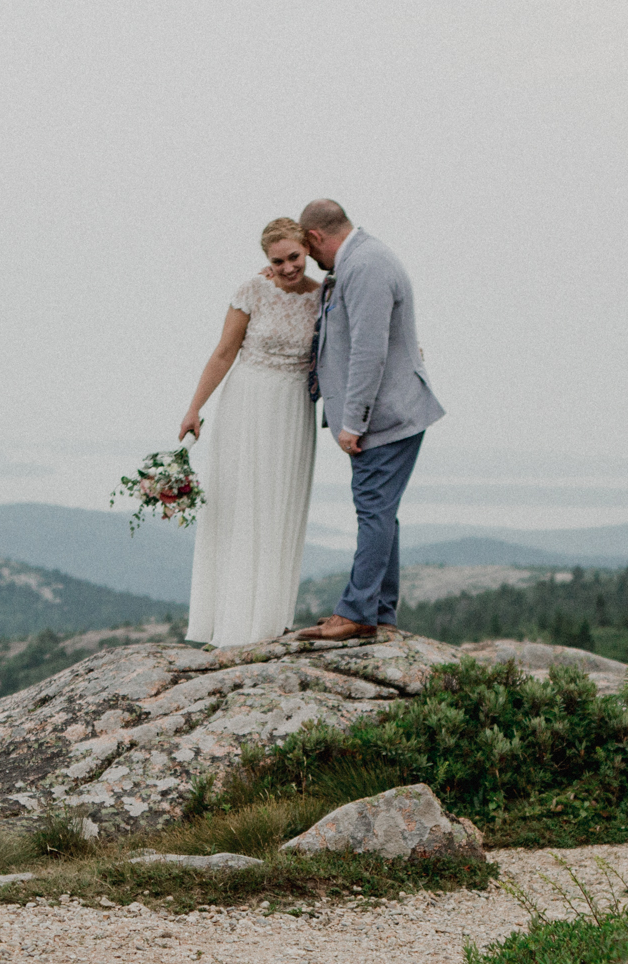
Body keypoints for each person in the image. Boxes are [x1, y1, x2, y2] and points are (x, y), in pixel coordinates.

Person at [294, 199, 444, 642]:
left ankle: (358, 612)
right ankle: (379, 610)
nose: (314, 262)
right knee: (380, 511)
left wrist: (353, 423)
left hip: (383, 417)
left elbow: (369, 351)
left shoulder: (367, 265)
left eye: (310, 250)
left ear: (317, 237)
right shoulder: (362, 260)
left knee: (373, 510)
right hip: (386, 413)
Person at [176, 217, 323, 647]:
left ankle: (268, 620)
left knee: (279, 504)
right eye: (277, 261)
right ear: (267, 262)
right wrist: (194, 407)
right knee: (239, 504)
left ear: (307, 249)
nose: (288, 267)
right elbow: (224, 353)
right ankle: (229, 622)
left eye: (294, 257)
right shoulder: (252, 290)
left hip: (293, 408)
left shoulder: (325, 297)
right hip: (246, 404)